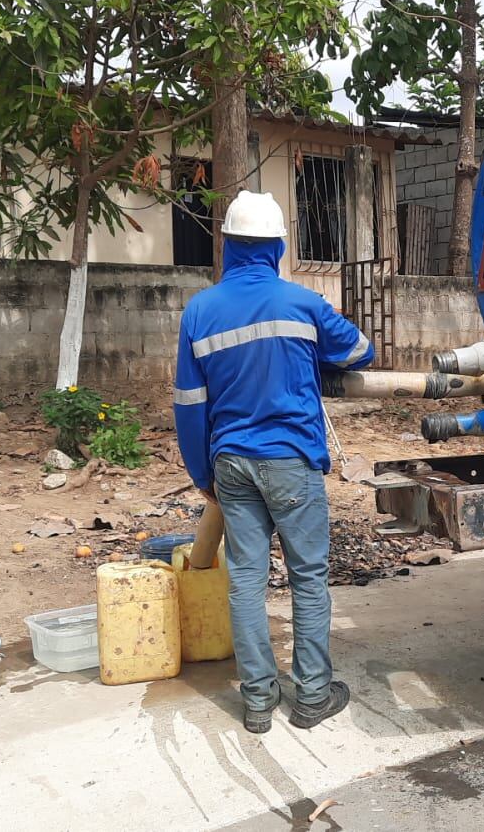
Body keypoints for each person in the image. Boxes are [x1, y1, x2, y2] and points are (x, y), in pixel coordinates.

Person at [173, 190, 375, 734]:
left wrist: (203, 475)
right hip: (291, 460)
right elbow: (361, 353)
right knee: (308, 579)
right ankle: (311, 695)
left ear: (227, 247)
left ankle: (258, 702)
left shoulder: (200, 310)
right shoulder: (302, 303)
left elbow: (189, 404)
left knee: (246, 582)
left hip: (231, 463)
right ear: (279, 246)